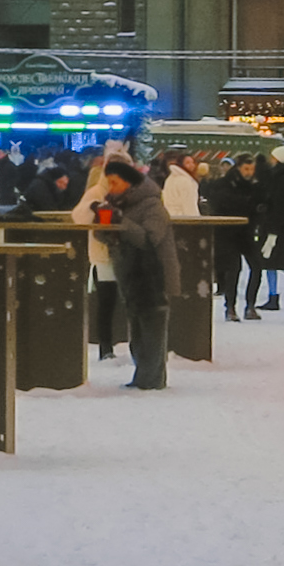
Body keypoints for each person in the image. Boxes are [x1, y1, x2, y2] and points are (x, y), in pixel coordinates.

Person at [94, 155, 176, 391]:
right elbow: (106, 237)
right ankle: (143, 375)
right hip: (130, 274)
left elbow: (149, 237)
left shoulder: (151, 204)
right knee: (138, 326)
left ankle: (152, 379)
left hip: (152, 275)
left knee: (152, 326)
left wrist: (120, 223)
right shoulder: (119, 204)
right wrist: (102, 223)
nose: (111, 188)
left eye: (115, 182)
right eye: (109, 182)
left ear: (129, 182)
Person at [249, 143, 284, 313]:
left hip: (278, 227)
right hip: (283, 226)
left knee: (278, 262)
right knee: (271, 262)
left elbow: (280, 207)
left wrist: (273, 229)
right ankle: (273, 297)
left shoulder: (281, 181)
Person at [198, 155, 256, 321]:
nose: (249, 173)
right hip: (228, 232)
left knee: (256, 266)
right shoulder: (224, 184)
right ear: (238, 167)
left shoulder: (254, 184)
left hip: (247, 231)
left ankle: (250, 305)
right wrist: (247, 203)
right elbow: (220, 202)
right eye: (246, 169)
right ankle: (230, 307)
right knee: (233, 269)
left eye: (251, 169)